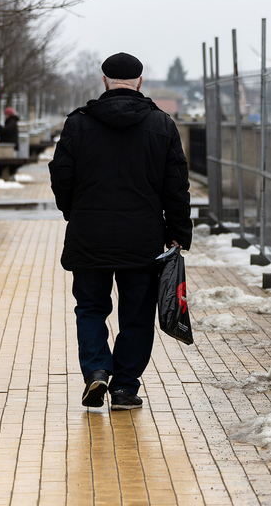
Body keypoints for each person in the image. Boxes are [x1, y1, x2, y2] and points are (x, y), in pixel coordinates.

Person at [49, 52, 193, 410]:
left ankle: (97, 369)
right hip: (142, 238)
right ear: (140, 82)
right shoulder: (162, 125)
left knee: (91, 307)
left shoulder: (78, 124)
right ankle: (125, 388)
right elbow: (176, 186)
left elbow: (61, 174)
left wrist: (74, 211)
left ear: (104, 81)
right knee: (137, 314)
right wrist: (177, 232)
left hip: (89, 234)